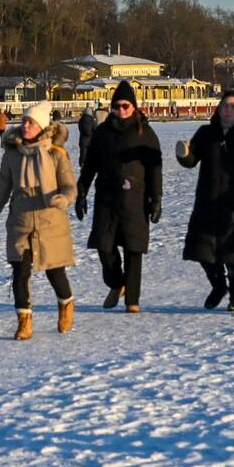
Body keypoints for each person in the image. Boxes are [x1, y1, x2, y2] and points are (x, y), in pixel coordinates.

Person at [0, 103, 77, 340]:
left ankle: (66, 304)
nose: (25, 125)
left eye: (31, 122)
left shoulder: (55, 154)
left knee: (55, 272)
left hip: (50, 221)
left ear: (41, 126)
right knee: (20, 272)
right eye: (24, 121)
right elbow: (0, 192)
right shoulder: (12, 155)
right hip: (20, 222)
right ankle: (24, 322)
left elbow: (70, 185)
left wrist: (65, 199)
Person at [174, 90, 234, 312]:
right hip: (208, 202)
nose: (229, 110)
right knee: (203, 250)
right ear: (219, 108)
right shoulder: (206, 133)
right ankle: (218, 285)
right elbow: (192, 160)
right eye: (225, 105)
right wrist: (184, 154)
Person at [76, 80, 161, 312]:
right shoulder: (102, 132)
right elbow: (90, 164)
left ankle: (132, 300)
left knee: (134, 249)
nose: (121, 111)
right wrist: (81, 190)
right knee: (104, 247)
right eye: (117, 106)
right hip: (106, 198)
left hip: (135, 199)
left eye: (125, 106)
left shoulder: (145, 133)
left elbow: (155, 168)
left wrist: (157, 199)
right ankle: (116, 283)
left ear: (133, 107)